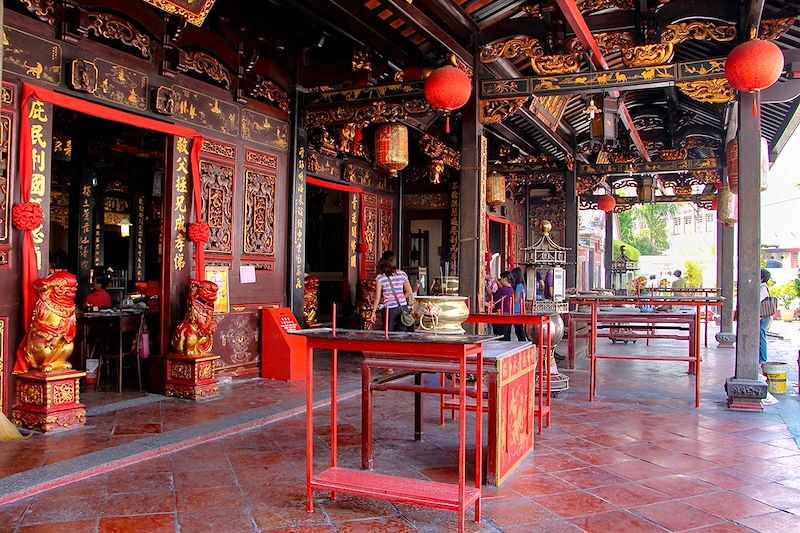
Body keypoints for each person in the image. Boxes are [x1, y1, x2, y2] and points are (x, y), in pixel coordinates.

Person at [368, 251, 414, 332]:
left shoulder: (380, 277)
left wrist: (373, 312)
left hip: (390, 309)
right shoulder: (402, 273)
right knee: (401, 335)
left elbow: (377, 298)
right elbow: (409, 291)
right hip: (403, 307)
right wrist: (400, 299)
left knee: (388, 334)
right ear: (393, 261)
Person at [492, 272, 515, 341]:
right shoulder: (511, 289)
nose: (500, 280)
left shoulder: (502, 290)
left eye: (501, 278)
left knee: (499, 335)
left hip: (500, 314)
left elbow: (494, 298)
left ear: (505, 279)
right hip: (508, 313)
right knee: (506, 334)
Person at [511, 267, 527, 341]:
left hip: (517, 309)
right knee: (519, 328)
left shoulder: (519, 286)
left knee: (519, 329)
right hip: (519, 309)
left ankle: (522, 342)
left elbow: (516, 299)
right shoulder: (522, 285)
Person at [760, 269, 772, 366]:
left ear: (762, 278)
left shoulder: (763, 288)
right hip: (764, 316)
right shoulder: (762, 287)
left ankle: (763, 359)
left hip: (763, 316)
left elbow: (757, 300)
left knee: (761, 337)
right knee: (760, 336)